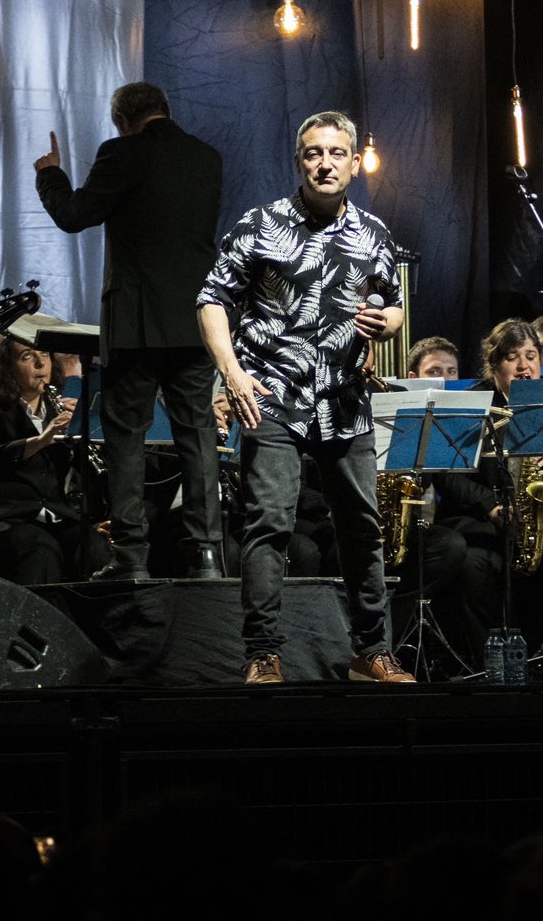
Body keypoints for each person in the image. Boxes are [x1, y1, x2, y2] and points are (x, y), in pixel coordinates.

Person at [197, 109, 414, 684]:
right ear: (299, 162)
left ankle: (371, 652)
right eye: (314, 153)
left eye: (336, 153)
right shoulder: (260, 224)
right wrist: (232, 373)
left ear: (355, 163)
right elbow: (211, 300)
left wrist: (387, 324)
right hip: (272, 392)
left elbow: (393, 303)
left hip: (343, 399)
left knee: (362, 526)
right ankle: (262, 653)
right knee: (270, 522)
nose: (325, 163)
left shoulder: (374, 232)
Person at [34, 81, 226, 580]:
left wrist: (50, 175)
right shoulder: (207, 158)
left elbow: (75, 215)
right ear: (165, 109)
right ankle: (207, 554)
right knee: (198, 435)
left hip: (136, 323)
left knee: (126, 436)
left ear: (122, 120)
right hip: (195, 320)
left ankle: (131, 557)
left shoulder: (121, 151)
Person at [431, 320, 543, 668]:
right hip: (490, 515)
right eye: (512, 357)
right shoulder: (473, 403)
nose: (524, 366)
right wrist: (492, 507)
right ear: (494, 364)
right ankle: (490, 662)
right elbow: (448, 474)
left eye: (531, 356)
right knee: (474, 562)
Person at [0, 334, 98, 585]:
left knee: (93, 546)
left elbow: (85, 471)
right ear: (7, 367)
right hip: (1, 519)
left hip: (53, 516)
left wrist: (85, 429)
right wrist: (40, 440)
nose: (41, 364)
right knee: (39, 549)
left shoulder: (57, 410)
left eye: (45, 355)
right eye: (27, 356)